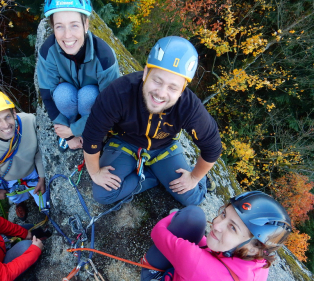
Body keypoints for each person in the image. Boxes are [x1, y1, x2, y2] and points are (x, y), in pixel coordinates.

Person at [82, 36, 222, 206]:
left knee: (193, 199)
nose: (161, 93)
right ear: (146, 72)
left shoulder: (189, 107)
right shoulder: (120, 93)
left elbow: (213, 147)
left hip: (164, 148)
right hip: (125, 142)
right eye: (157, 80)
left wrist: (195, 177)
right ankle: (153, 177)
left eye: (173, 87)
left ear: (183, 89)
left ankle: (195, 180)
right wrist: (95, 172)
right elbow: (92, 136)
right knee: (103, 194)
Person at [140, 191, 292, 281]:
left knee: (192, 216)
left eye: (232, 227)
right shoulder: (261, 264)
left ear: (254, 247)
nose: (216, 224)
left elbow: (158, 232)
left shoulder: (196, 261)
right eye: (224, 214)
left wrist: (175, 216)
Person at [37, 0, 120, 151]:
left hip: (93, 106)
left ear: (86, 25)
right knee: (62, 94)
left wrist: (75, 130)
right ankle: (72, 123)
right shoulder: (48, 51)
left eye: (74, 25)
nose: (67, 35)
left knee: (89, 95)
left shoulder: (104, 57)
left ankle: (90, 132)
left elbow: (111, 106)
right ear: (53, 28)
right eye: (59, 27)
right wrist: (68, 134)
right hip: (70, 101)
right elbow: (47, 94)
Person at [0, 91, 46, 220]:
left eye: (7, 117)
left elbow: (40, 151)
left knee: (44, 202)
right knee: (15, 196)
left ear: (14, 114)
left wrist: (42, 178)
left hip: (31, 171)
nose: (6, 125)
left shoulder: (30, 122)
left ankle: (45, 213)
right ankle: (19, 203)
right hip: (7, 178)